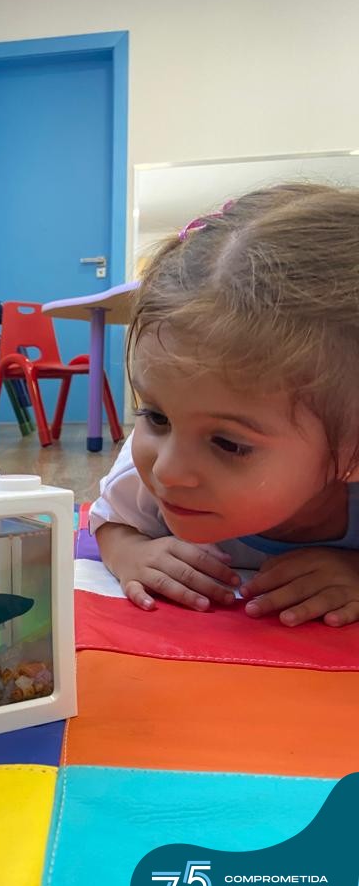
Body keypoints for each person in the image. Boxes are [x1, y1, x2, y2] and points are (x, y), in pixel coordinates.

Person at [91, 183, 359, 628]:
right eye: (156, 416)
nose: (167, 471)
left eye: (228, 443)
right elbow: (109, 521)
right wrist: (129, 552)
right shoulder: (141, 477)